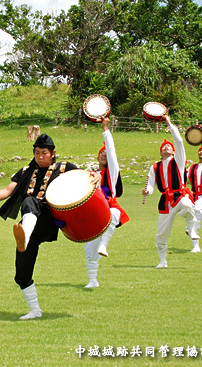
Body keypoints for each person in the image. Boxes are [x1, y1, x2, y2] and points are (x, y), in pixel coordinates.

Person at [0, 134, 100, 320]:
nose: (40, 156)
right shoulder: (26, 170)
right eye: (37, 153)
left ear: (53, 153)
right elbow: (7, 190)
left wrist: (96, 174)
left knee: (30, 201)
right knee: (21, 274)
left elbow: (85, 177)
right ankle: (35, 311)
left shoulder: (64, 168)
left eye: (44, 153)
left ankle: (26, 234)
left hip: (50, 220)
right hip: (29, 226)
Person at [142, 115, 197, 268]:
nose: (166, 147)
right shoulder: (155, 166)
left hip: (179, 194)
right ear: (161, 152)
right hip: (165, 201)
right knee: (161, 234)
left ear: (174, 152)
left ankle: (191, 230)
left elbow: (179, 142)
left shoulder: (178, 160)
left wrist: (169, 123)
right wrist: (148, 191)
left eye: (169, 146)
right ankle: (162, 261)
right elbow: (151, 185)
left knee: (187, 205)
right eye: (163, 147)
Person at [82, 117, 129, 288]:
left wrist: (105, 129)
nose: (104, 154)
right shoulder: (90, 174)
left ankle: (104, 244)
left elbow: (112, 151)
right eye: (100, 153)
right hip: (93, 213)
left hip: (109, 207)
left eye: (105, 153)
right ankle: (93, 281)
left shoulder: (113, 172)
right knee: (89, 249)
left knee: (115, 214)